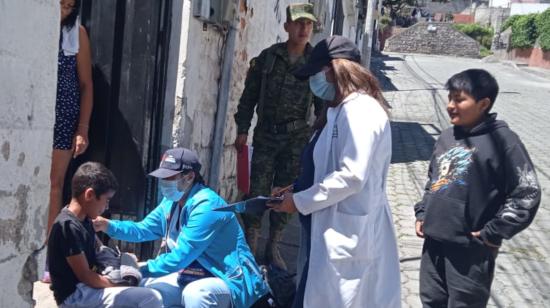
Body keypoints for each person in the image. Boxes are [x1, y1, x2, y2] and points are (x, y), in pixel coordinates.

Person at [271, 36, 401, 308]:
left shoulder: (361, 112)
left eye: (316, 73)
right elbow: (325, 168)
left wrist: (299, 202)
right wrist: (296, 190)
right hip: (324, 232)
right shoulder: (339, 111)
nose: (314, 82)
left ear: (333, 69)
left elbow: (351, 175)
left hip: (344, 237)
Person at [414, 69, 541, 307]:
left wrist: (493, 232)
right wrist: (423, 212)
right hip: (433, 242)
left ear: (483, 103)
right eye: (450, 98)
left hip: (471, 250)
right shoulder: (446, 137)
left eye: (459, 99)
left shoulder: (504, 141)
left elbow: (527, 193)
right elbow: (434, 179)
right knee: (431, 300)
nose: (450, 105)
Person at [93, 147, 269, 308]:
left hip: (227, 279)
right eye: (162, 177)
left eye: (169, 177)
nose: (164, 182)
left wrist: (137, 268)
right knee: (147, 289)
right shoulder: (170, 202)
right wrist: (107, 225)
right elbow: (143, 230)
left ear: (190, 177)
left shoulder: (208, 206)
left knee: (196, 294)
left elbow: (180, 257)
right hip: (191, 274)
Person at [233, 3, 323, 269]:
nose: (303, 28)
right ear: (287, 27)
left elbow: (322, 108)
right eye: (298, 23)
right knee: (257, 191)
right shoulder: (268, 58)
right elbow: (248, 97)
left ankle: (274, 245)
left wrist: (318, 141)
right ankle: (251, 244)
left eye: (308, 24)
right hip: (266, 136)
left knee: (285, 192)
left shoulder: (316, 64)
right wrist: (242, 129)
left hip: (296, 140)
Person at [47, 162, 163, 307]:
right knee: (150, 297)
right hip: (75, 296)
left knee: (145, 286)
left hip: (86, 289)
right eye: (106, 200)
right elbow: (86, 276)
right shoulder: (68, 226)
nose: (106, 207)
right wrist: (119, 284)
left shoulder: (85, 221)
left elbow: (100, 250)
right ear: (89, 194)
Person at [47, 0, 93, 241]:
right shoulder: (32, 30)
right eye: (60, 4)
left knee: (54, 182)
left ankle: (46, 249)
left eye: (69, 6)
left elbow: (86, 86)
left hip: (63, 116)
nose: (63, 11)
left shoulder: (77, 34)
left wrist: (82, 129)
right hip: (32, 115)